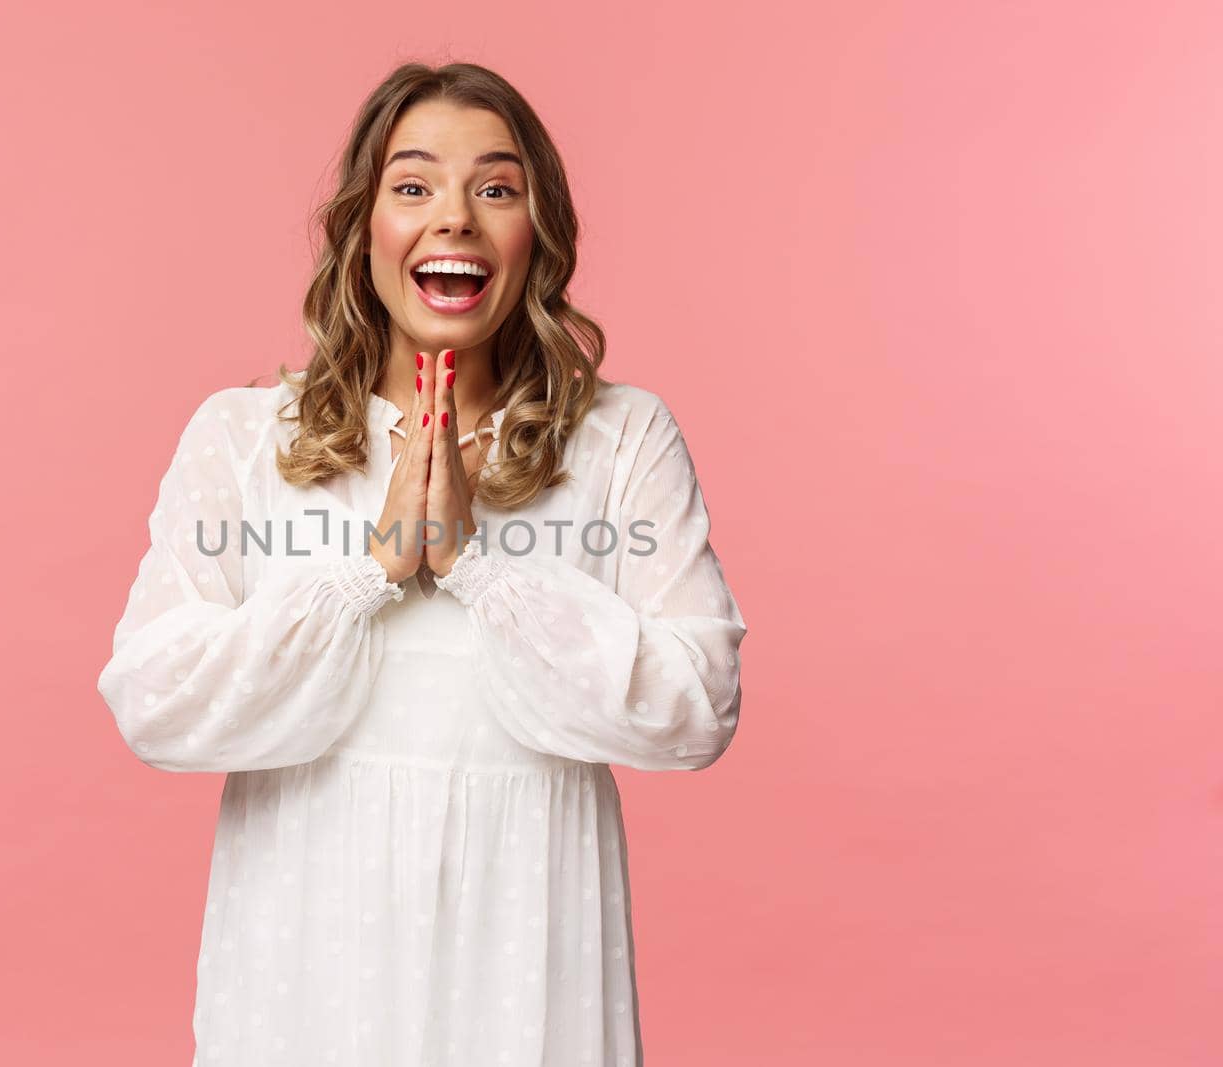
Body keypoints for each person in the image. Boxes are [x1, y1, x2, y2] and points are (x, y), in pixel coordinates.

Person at [96, 61, 747, 1067]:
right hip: (306, 951)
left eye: (495, 188)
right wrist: (367, 570)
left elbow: (696, 708)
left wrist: (481, 570)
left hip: (529, 941)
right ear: (364, 233)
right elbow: (155, 700)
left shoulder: (622, 438)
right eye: (412, 187)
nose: (455, 219)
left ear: (539, 235)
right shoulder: (242, 435)